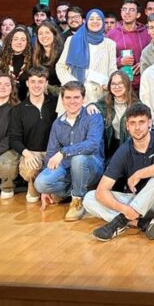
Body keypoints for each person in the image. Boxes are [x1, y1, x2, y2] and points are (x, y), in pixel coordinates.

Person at [84, 102, 154, 242]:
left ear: (150, 123)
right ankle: (141, 222)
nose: (137, 128)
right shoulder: (124, 151)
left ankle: (120, 221)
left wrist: (139, 174)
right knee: (90, 198)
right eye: (132, 123)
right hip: (140, 205)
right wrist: (124, 209)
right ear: (127, 126)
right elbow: (101, 191)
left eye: (141, 122)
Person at [35, 81, 105, 221]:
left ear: (83, 99)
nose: (72, 101)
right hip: (67, 169)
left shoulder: (93, 116)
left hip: (91, 166)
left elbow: (92, 145)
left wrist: (64, 152)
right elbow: (51, 154)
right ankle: (80, 189)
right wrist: (45, 189)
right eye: (68, 97)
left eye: (76, 97)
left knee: (78, 159)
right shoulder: (58, 123)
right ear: (62, 100)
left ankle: (77, 200)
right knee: (40, 183)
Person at [3, 66, 58, 203]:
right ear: (27, 83)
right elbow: (14, 139)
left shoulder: (56, 104)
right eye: (33, 81)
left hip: (54, 153)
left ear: (46, 83)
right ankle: (33, 184)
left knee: (56, 199)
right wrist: (27, 154)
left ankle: (45, 186)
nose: (36, 85)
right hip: (32, 152)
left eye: (40, 82)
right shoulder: (18, 110)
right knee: (29, 170)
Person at [55, 8, 116, 108]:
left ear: (103, 22)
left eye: (98, 19)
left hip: (98, 96)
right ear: (86, 21)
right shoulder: (72, 40)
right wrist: (73, 85)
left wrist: (109, 83)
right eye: (91, 19)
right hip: (72, 95)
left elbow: (112, 69)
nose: (95, 21)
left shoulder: (110, 44)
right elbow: (60, 66)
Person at [106, 0, 151, 91]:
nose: (127, 12)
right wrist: (120, 61)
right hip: (119, 85)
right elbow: (104, 60)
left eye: (131, 10)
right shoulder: (111, 34)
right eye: (124, 9)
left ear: (138, 15)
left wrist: (143, 63)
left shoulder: (147, 33)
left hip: (143, 84)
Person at [92, 70, 136, 158]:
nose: (117, 87)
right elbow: (96, 105)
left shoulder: (136, 105)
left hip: (130, 147)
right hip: (111, 147)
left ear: (127, 85)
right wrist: (91, 105)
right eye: (113, 84)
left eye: (120, 83)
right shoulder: (106, 102)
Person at [0, 25, 32, 99]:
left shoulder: (33, 61)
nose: (19, 42)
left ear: (27, 43)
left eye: (23, 40)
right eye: (15, 39)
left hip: (26, 101)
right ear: (10, 41)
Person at [33, 20, 64, 96]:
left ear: (54, 34)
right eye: (40, 33)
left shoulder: (63, 53)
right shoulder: (35, 55)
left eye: (47, 33)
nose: (44, 36)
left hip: (60, 93)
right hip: (41, 94)